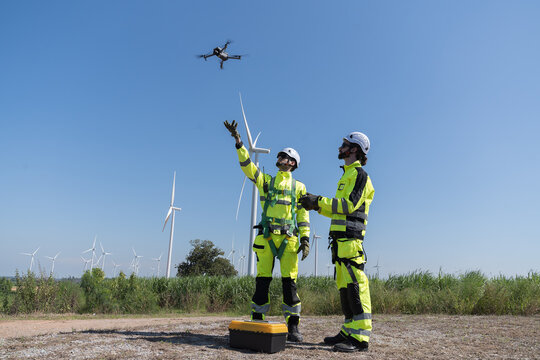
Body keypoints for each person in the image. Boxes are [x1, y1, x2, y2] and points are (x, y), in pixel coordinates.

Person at [224, 120, 311, 342]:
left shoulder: (299, 187)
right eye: (279, 155)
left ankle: (293, 328)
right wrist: (239, 142)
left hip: (289, 241)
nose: (280, 158)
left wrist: (306, 239)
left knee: (289, 285)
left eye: (284, 156)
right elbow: (247, 167)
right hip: (266, 239)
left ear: (292, 163)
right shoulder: (267, 182)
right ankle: (257, 320)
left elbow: (303, 216)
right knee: (262, 283)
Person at [299, 132, 374, 352]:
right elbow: (338, 211)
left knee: (356, 287)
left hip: (351, 242)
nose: (340, 147)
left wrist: (318, 201)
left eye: (344, 145)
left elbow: (348, 205)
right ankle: (349, 330)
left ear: (354, 149)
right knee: (344, 288)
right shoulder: (346, 175)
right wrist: (315, 205)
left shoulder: (360, 175)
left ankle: (360, 339)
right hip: (340, 242)